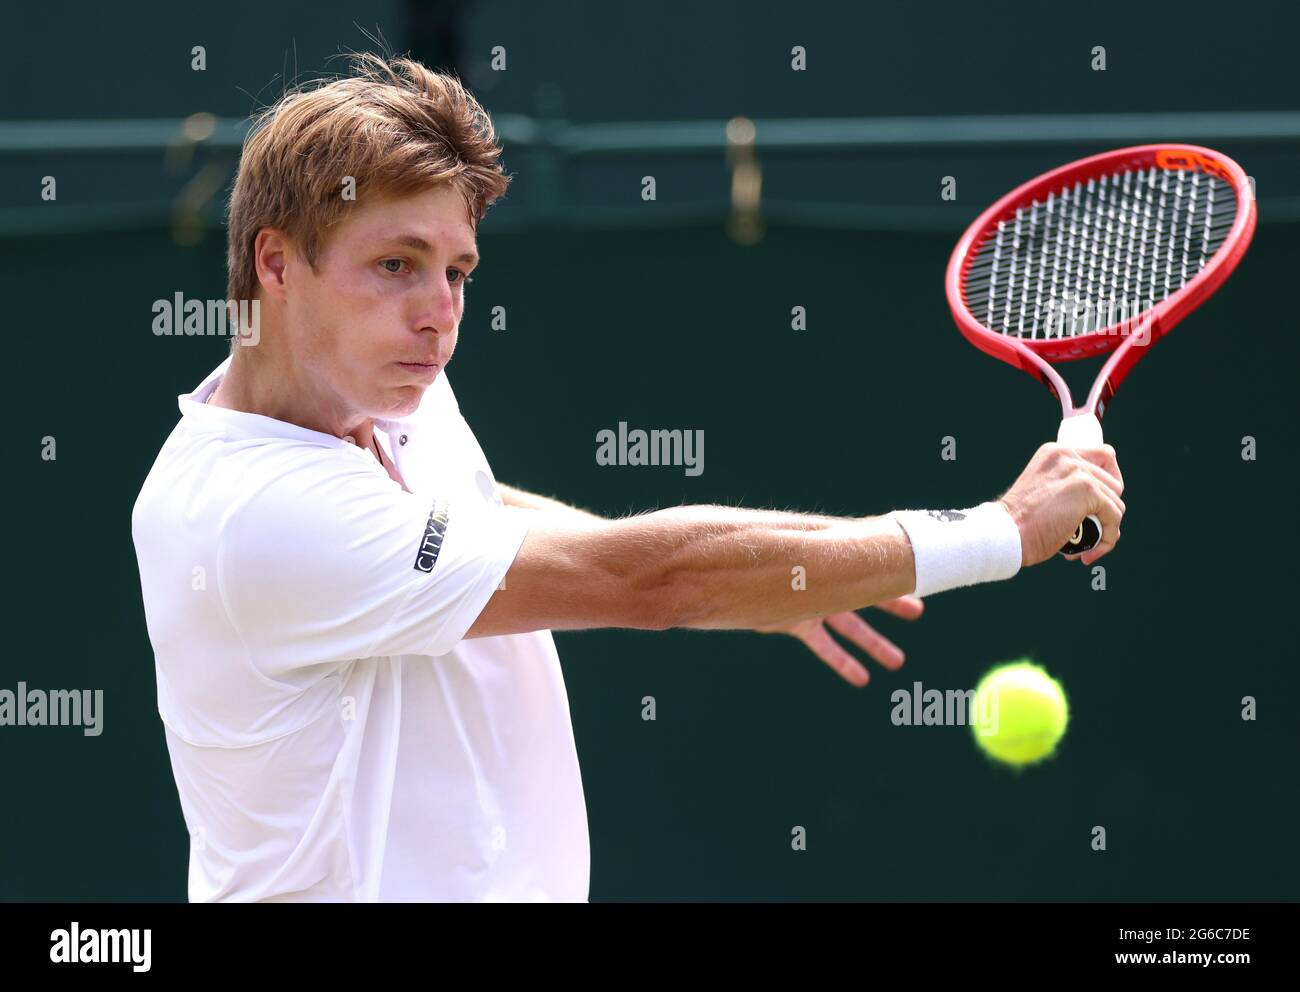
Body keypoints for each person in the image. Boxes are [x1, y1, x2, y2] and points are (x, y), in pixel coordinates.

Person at [131, 53, 1124, 902]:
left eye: (458, 270)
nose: (439, 310)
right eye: (395, 263)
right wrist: (1002, 529)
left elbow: (472, 514)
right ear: (275, 262)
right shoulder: (255, 515)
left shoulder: (375, 390)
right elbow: (646, 581)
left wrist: (785, 572)